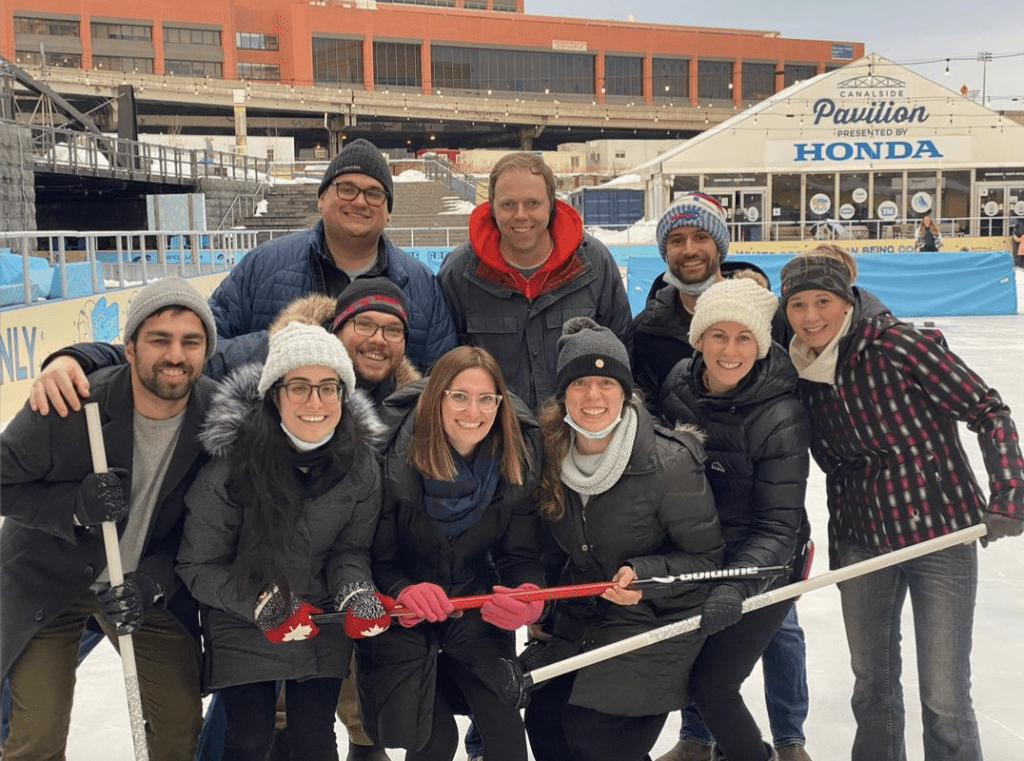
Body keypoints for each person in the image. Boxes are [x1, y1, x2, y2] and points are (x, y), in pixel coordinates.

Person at [779, 244, 1024, 761]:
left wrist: (1008, 490)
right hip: (860, 538)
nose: (810, 316)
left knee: (944, 696)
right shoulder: (796, 367)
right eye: (797, 304)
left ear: (846, 301)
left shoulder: (897, 346)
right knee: (872, 686)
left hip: (939, 533)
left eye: (822, 301)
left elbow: (988, 410)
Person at [1, 277, 219, 761]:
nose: (176, 355)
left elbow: (201, 530)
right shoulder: (71, 404)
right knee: (37, 736)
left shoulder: (215, 421)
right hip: (50, 580)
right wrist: (73, 507)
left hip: (140, 587)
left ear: (207, 351)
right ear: (130, 348)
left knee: (179, 727)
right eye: (159, 339)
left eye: (191, 341)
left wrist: (151, 584)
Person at [177, 319, 392, 761]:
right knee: (250, 739)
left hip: (320, 614)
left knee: (313, 738)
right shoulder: (230, 468)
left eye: (328, 388)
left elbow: (350, 549)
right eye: (299, 387)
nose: (315, 402)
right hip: (242, 612)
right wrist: (264, 603)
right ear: (274, 395)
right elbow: (198, 565)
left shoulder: (361, 465)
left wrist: (355, 591)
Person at [523, 317, 724, 761]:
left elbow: (707, 560)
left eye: (606, 383)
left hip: (654, 618)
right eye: (580, 383)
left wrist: (644, 575)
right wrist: (544, 605)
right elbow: (548, 548)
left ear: (625, 392)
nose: (593, 396)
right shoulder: (550, 455)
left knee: (594, 735)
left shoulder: (669, 462)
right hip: (582, 617)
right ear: (563, 394)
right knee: (543, 723)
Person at [355, 346, 544, 761]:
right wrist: (402, 590)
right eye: (459, 396)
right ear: (435, 397)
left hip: (475, 612)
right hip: (405, 621)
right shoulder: (390, 457)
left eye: (486, 399)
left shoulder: (516, 458)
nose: (473, 412)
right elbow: (374, 557)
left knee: (507, 737)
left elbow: (520, 555)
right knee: (434, 741)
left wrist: (529, 594)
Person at [657, 278, 812, 761]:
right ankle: (705, 745)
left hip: (767, 565)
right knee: (685, 672)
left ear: (760, 344)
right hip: (702, 554)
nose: (730, 350)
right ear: (699, 338)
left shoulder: (781, 415)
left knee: (713, 684)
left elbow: (779, 527)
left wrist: (737, 584)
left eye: (744, 337)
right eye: (718, 335)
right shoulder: (678, 383)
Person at [208, 137, 456, 372]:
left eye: (374, 193)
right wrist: (277, 348)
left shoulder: (423, 286)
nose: (360, 202)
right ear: (321, 198)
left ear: (388, 211)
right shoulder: (263, 265)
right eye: (347, 189)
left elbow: (442, 379)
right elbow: (204, 350)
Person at [438, 152, 633, 409]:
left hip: (577, 426)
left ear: (551, 204)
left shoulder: (594, 263)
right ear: (492, 207)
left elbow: (623, 353)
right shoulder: (459, 272)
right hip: (494, 428)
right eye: (508, 204)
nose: (521, 215)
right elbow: (443, 367)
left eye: (533, 203)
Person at [632, 191, 789, 408]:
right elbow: (647, 412)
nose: (689, 250)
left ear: (719, 246)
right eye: (677, 240)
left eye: (701, 237)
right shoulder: (647, 330)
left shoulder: (770, 316)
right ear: (665, 252)